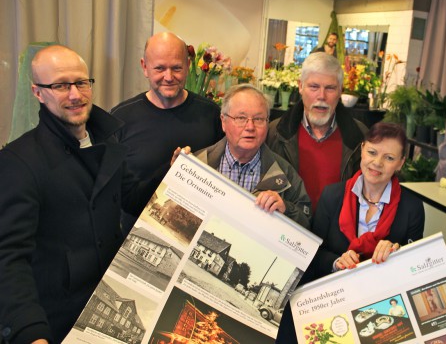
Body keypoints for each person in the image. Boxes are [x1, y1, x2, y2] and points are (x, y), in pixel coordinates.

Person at [0, 45, 163, 343]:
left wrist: (173, 172)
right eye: (61, 85)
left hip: (108, 302)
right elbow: (9, 258)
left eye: (81, 82)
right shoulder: (18, 161)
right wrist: (29, 331)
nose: (75, 94)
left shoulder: (107, 142)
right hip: (57, 319)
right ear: (38, 92)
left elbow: (135, 199)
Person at [112, 32, 224, 231]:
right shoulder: (120, 119)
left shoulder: (212, 115)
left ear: (188, 66)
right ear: (144, 67)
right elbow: (114, 195)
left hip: (195, 232)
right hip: (131, 235)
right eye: (160, 68)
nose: (169, 77)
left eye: (176, 68)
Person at [310, 122, 425, 277]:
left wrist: (397, 254)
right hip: (334, 294)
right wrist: (336, 262)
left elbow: (415, 266)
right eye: (372, 152)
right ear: (362, 149)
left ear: (400, 163)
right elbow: (312, 253)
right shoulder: (331, 196)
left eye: (389, 158)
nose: (377, 163)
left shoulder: (412, 207)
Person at [193, 84, 311, 228]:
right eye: (241, 118)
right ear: (224, 122)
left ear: (268, 123)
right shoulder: (197, 163)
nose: (250, 127)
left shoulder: (286, 174)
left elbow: (307, 225)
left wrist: (286, 209)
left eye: (258, 119)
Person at [267, 52, 367, 209]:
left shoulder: (360, 136)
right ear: (300, 86)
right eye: (314, 87)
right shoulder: (274, 132)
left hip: (337, 230)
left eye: (330, 88)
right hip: (287, 225)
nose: (321, 96)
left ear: (341, 90)